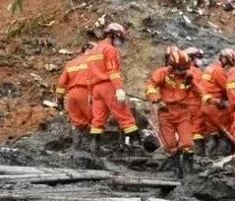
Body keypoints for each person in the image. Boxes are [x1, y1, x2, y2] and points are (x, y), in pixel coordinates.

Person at [146, 47, 201, 176]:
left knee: (187, 143)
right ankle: (176, 169)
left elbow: (198, 90)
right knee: (170, 145)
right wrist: (157, 100)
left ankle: (188, 171)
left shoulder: (189, 77)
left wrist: (207, 98)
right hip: (166, 112)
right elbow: (150, 87)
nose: (182, 71)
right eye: (179, 68)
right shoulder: (162, 73)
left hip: (183, 113)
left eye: (184, 68)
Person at [86, 23, 140, 151]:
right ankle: (137, 145)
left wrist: (90, 93)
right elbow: (113, 71)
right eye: (120, 38)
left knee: (98, 119)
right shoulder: (110, 49)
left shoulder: (93, 50)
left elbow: (88, 74)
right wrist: (119, 89)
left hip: (95, 89)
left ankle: (94, 149)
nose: (120, 42)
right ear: (115, 35)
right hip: (108, 87)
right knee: (125, 116)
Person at [55, 43, 94, 148]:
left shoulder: (71, 63)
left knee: (77, 122)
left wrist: (59, 99)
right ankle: (94, 151)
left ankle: (76, 149)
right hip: (86, 93)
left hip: (71, 95)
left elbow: (61, 83)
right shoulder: (94, 62)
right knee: (95, 120)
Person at [199, 48, 235, 156]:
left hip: (205, 104)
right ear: (226, 60)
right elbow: (228, 88)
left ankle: (209, 158)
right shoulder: (219, 71)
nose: (228, 66)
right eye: (229, 64)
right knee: (225, 132)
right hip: (215, 106)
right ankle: (222, 157)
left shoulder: (209, 68)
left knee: (212, 132)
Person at [183, 47, 207, 155]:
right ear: (192, 58)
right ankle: (197, 154)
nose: (200, 60)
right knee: (198, 129)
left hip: (182, 105)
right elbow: (199, 87)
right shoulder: (195, 71)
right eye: (198, 58)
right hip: (195, 103)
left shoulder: (179, 70)